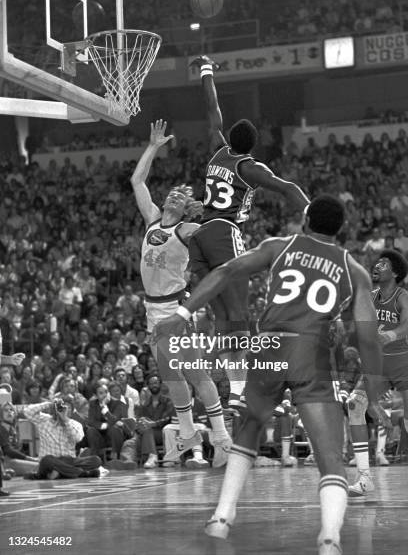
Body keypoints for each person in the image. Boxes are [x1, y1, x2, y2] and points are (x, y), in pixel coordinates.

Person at [153, 195, 388, 555]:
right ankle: (329, 537)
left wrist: (181, 315)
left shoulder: (280, 245)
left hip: (270, 349)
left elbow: (226, 272)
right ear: (339, 230)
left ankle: (222, 516)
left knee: (248, 429)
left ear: (306, 219)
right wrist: (373, 390)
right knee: (329, 456)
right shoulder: (353, 269)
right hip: (311, 353)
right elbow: (369, 337)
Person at [188, 55, 310, 411]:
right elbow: (286, 188)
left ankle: (237, 395)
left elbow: (213, 109)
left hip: (201, 236)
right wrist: (312, 213)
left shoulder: (217, 149)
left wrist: (207, 70)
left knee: (224, 321)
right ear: (254, 145)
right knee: (239, 316)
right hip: (225, 231)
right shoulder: (250, 167)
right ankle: (260, 384)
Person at [131, 119, 232, 467]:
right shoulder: (153, 219)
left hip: (176, 309)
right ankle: (189, 435)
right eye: (172, 191)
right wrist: (153, 148)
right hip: (151, 310)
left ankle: (220, 435)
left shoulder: (187, 228)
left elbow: (211, 234)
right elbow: (137, 181)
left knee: (195, 373)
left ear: (186, 207)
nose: (173, 194)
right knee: (172, 376)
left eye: (180, 195)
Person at [348, 249, 408, 496]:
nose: (376, 266)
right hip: (378, 366)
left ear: (394, 272)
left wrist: (390, 335)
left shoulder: (402, 296)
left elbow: (407, 325)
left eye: (383, 264)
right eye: (377, 263)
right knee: (354, 405)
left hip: (403, 361)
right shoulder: (369, 298)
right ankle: (364, 478)